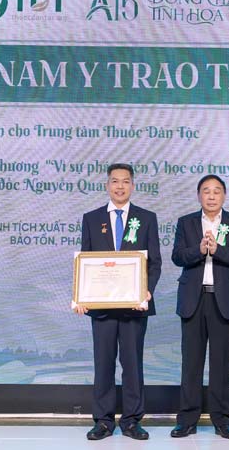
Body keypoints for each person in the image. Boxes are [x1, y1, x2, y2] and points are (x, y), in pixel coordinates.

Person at [73, 163, 161, 441]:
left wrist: (146, 291)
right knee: (103, 364)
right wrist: (81, 296)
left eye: (125, 181)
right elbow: (86, 261)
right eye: (115, 181)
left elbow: (154, 263)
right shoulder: (91, 218)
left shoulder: (146, 218)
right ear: (107, 185)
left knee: (133, 364)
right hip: (102, 308)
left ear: (132, 185)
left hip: (134, 306)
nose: (120, 186)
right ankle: (103, 421)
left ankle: (132, 421)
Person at [170, 174, 229, 440]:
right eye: (206, 191)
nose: (212, 196)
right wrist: (199, 249)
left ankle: (222, 420)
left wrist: (217, 250)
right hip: (193, 301)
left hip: (224, 301)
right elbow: (177, 256)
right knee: (191, 363)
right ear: (199, 196)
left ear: (224, 195)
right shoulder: (186, 223)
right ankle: (187, 420)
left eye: (217, 191)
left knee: (222, 364)